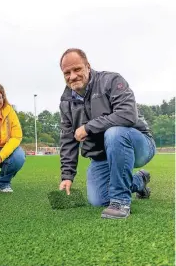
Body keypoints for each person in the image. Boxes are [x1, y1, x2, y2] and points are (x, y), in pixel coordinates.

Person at [58, 48, 156, 219]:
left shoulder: (111, 81)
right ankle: (139, 181)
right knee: (98, 199)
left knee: (115, 133)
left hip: (137, 144)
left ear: (88, 66)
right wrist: (67, 176)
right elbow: (68, 139)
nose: (72, 76)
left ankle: (120, 202)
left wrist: (88, 127)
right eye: (67, 72)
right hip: (101, 155)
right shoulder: (66, 101)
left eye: (77, 69)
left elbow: (127, 114)